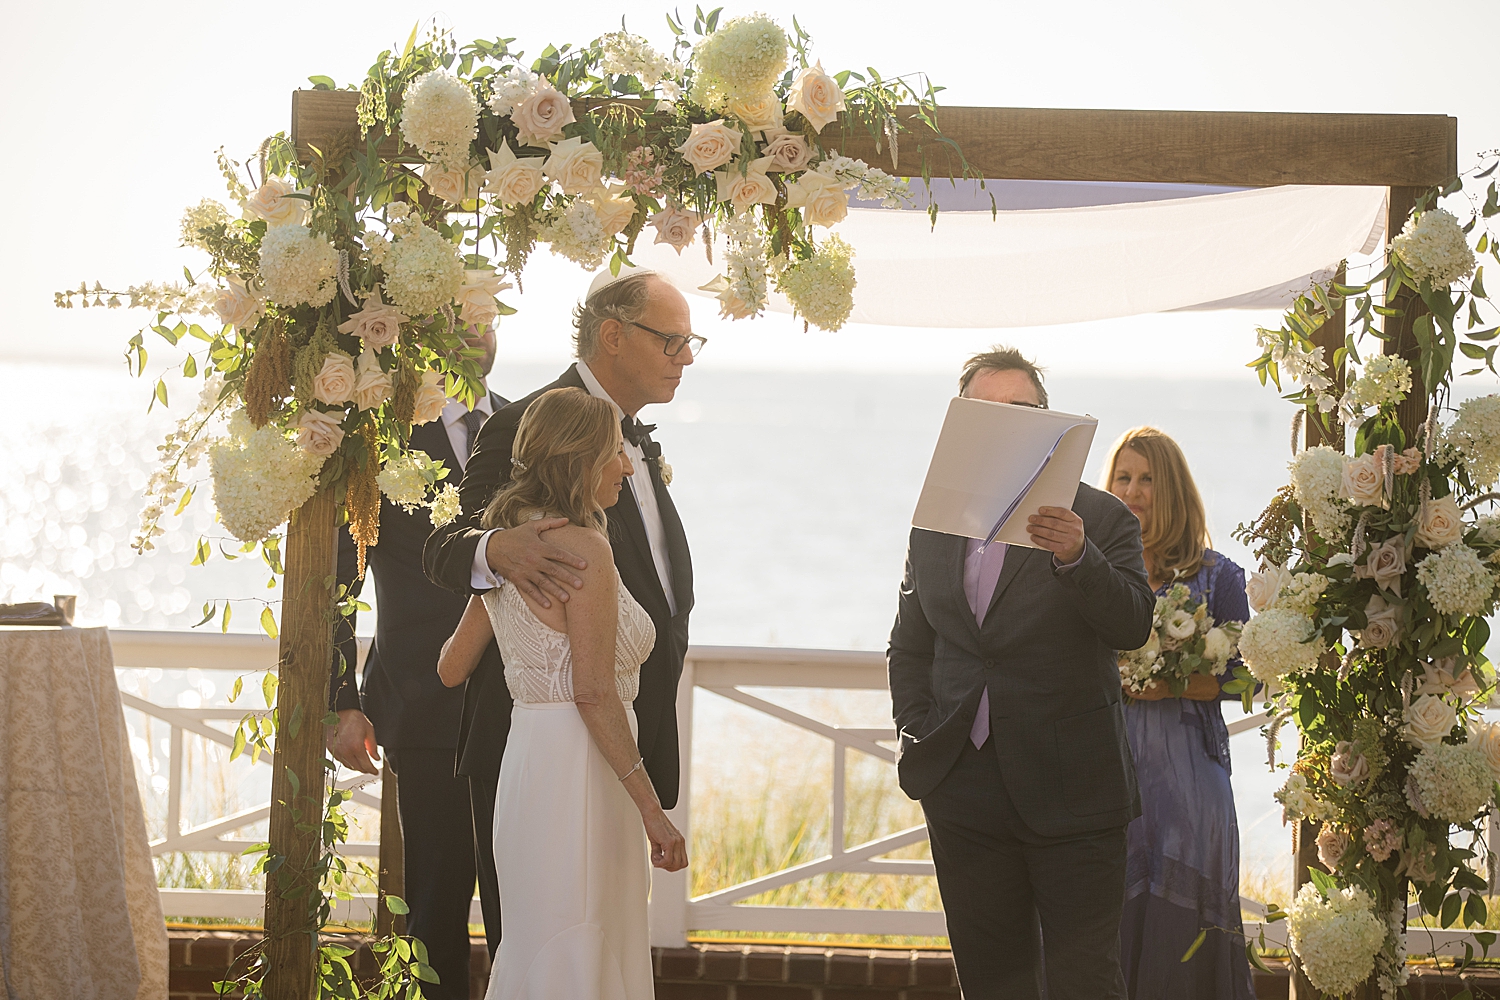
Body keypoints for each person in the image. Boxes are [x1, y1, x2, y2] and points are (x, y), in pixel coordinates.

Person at [423, 269, 697, 956]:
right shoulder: (528, 420)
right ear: (613, 335)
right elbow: (448, 543)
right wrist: (497, 548)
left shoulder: (631, 440)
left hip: (614, 742)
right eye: (671, 341)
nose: (685, 357)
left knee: (578, 946)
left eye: (691, 342)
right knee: (559, 944)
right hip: (556, 742)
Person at [886, 346, 1154, 1000]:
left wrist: (1077, 557)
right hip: (962, 789)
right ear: (965, 424)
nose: (1009, 424)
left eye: (1025, 410)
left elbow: (1132, 626)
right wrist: (918, 729)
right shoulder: (936, 523)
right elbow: (910, 644)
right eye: (990, 411)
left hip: (1074, 793)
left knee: (1084, 982)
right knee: (989, 981)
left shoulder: (1102, 518)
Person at [325, 321, 506, 1000]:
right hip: (421, 701)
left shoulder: (525, 426)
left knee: (521, 891)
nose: (477, 333)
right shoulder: (384, 437)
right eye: (460, 317)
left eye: (488, 317)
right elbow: (343, 571)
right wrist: (343, 698)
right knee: (434, 902)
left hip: (525, 703)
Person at [1103, 427, 1255, 1000]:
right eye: (1124, 477)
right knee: (1102, 926)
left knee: (1185, 933)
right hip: (1106, 774)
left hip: (1190, 780)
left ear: (1173, 491)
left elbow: (1250, 677)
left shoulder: (1219, 577)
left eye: (1148, 479)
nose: (1134, 491)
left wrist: (1174, 683)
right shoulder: (1093, 573)